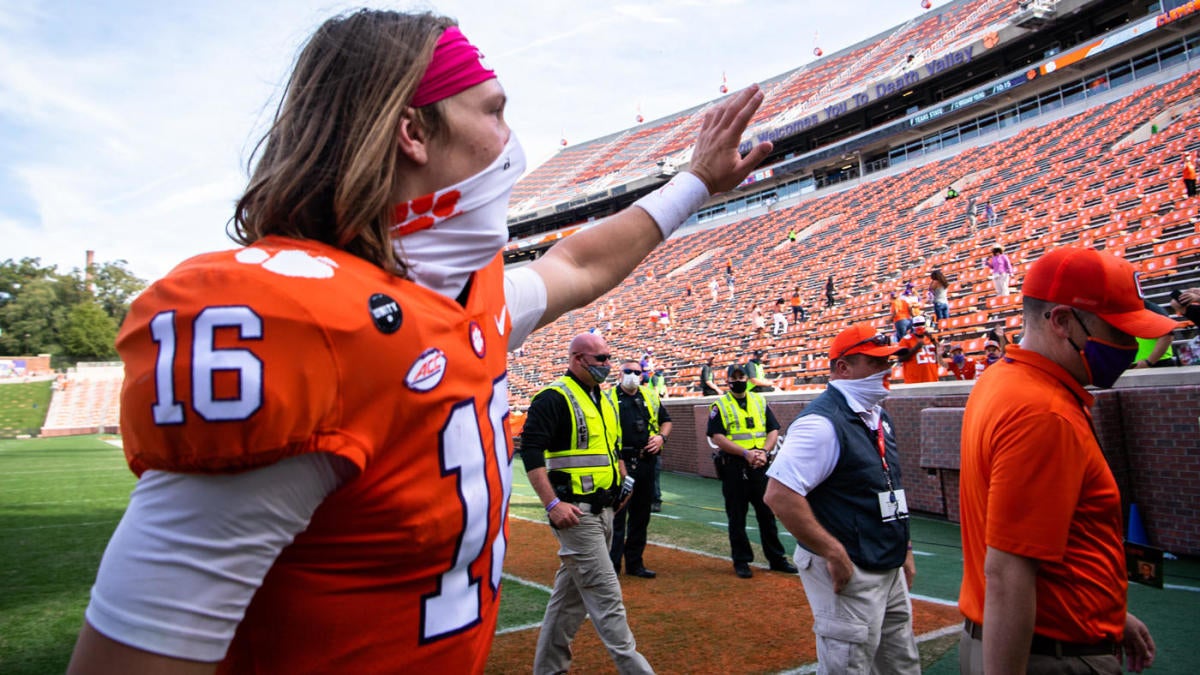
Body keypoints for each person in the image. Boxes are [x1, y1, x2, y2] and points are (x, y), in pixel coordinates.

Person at [66, 12, 772, 674]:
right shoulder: (304, 322)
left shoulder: (460, 297)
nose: (508, 137)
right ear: (413, 131)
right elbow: (138, 651)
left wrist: (696, 182)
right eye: (493, 110)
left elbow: (579, 265)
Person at [958, 247, 1167, 675]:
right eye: (1117, 330)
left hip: (1045, 636)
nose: (1129, 346)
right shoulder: (1043, 411)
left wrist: (1103, 614)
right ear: (1062, 321)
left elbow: (1054, 541)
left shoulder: (1006, 376)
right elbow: (1008, 571)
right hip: (1046, 655)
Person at [764, 323, 919, 674]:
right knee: (849, 665)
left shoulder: (877, 415)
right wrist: (833, 551)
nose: (886, 369)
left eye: (887, 361)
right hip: (853, 564)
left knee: (901, 663)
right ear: (844, 367)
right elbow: (779, 494)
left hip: (886, 561)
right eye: (875, 362)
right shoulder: (821, 423)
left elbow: (884, 484)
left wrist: (903, 547)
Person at [520, 334, 653, 673]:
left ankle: (548, 670)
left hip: (606, 510)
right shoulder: (553, 397)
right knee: (609, 601)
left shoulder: (605, 399)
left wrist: (623, 480)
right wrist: (552, 504)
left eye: (609, 358)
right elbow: (531, 451)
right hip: (576, 515)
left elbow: (614, 447)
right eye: (601, 360)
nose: (608, 366)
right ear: (578, 359)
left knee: (568, 603)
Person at [707, 365, 796, 579]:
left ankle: (776, 558)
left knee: (767, 515)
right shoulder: (720, 405)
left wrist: (764, 452)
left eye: (742, 376)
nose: (739, 380)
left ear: (747, 378)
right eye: (734, 377)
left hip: (759, 465)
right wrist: (745, 453)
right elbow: (717, 437)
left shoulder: (759, 401)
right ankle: (742, 560)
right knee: (736, 516)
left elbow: (773, 429)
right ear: (728, 381)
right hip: (734, 467)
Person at [610, 360, 672, 579]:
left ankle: (635, 563)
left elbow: (666, 421)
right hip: (621, 462)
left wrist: (661, 437)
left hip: (646, 461)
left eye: (637, 372)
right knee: (617, 516)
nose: (633, 375)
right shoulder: (608, 398)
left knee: (641, 515)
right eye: (628, 371)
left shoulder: (649, 395)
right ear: (619, 374)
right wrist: (620, 465)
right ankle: (613, 566)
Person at [1132, 299, 1176, 368]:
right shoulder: (1123, 312)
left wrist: (1148, 362)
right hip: (1136, 365)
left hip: (1158, 363)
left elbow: (1167, 335)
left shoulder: (1151, 309)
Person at [897, 315, 940, 383]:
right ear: (913, 326)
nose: (919, 326)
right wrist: (915, 348)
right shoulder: (906, 339)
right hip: (914, 380)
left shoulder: (932, 338)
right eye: (917, 324)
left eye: (921, 324)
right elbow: (901, 359)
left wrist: (933, 340)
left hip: (932, 378)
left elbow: (942, 354)